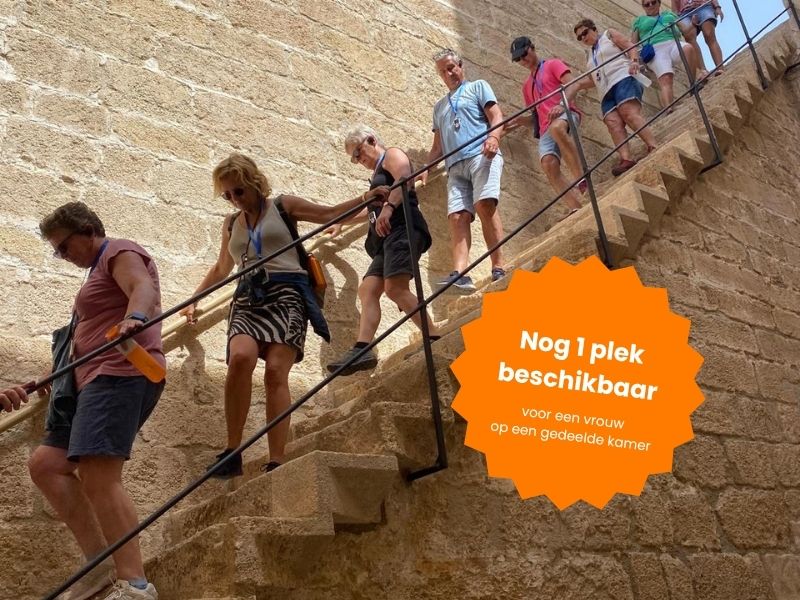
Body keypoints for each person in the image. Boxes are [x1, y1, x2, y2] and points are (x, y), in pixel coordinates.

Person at [181, 154, 388, 478]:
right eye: (228, 195)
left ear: (254, 183)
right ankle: (232, 450)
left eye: (239, 191)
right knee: (240, 358)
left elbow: (328, 214)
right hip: (248, 296)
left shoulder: (282, 206)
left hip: (288, 294)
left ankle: (276, 457)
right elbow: (222, 268)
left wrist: (366, 198)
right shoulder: (231, 224)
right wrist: (194, 299)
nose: (235, 200)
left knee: (276, 373)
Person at [0, 202, 166, 600]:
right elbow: (82, 337)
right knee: (46, 465)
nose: (62, 256)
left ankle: (136, 585)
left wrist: (135, 319)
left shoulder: (119, 250)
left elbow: (142, 287)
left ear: (88, 229)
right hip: (86, 381)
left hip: (118, 372)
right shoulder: (95, 272)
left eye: (64, 246)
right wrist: (49, 378)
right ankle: (99, 565)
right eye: (57, 251)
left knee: (98, 473)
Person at [324, 125, 440, 375]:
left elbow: (404, 178)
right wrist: (341, 223)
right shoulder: (377, 174)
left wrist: (388, 208)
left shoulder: (392, 155)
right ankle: (362, 349)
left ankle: (433, 336)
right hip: (387, 238)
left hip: (403, 227)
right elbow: (370, 210)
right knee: (368, 289)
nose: (358, 160)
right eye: (354, 159)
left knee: (395, 288)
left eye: (358, 153)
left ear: (371, 140)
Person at [421, 48, 507, 293]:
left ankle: (498, 265)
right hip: (455, 167)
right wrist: (426, 168)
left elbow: (496, 115)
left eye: (451, 68)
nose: (448, 74)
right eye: (443, 72)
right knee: (457, 217)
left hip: (481, 155)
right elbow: (438, 146)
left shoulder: (478, 87)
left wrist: (494, 137)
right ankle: (460, 274)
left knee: (484, 205)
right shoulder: (439, 107)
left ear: (460, 66)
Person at [506, 36, 585, 221]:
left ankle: (581, 179)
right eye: (518, 59)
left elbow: (574, 84)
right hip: (545, 128)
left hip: (566, 114)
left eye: (524, 54)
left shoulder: (552, 64)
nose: (523, 60)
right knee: (548, 164)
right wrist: (521, 121)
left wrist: (561, 104)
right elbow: (536, 118)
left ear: (532, 48)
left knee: (557, 128)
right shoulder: (527, 86)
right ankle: (575, 206)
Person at [573, 18, 659, 176]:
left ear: (594, 29)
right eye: (580, 37)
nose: (583, 37)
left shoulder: (608, 35)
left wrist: (634, 61)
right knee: (612, 123)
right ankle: (626, 159)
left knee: (628, 112)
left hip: (622, 76)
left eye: (585, 33)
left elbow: (629, 45)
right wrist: (576, 85)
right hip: (605, 90)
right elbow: (593, 80)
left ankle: (653, 145)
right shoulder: (589, 55)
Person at [632, 0, 701, 109]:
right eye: (647, 4)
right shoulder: (639, 21)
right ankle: (669, 108)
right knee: (666, 78)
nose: (650, 5)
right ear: (644, 7)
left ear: (659, 3)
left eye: (653, 2)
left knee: (688, 49)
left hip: (673, 43)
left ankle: (693, 84)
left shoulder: (669, 14)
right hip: (656, 50)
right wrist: (634, 60)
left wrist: (692, 24)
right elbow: (633, 43)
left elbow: (685, 31)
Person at [672, 0, 724, 76]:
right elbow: (674, 6)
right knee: (689, 38)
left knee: (709, 35)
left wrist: (717, 7)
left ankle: (720, 68)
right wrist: (675, 19)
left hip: (704, 5)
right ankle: (703, 71)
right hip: (685, 12)